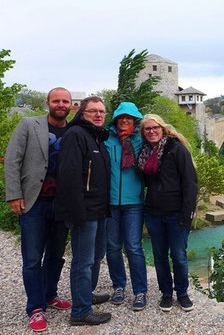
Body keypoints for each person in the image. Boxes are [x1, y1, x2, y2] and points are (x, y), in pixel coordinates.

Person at [4, 87, 73, 332]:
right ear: (48, 103)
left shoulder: (74, 131)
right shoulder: (28, 124)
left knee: (56, 256)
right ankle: (35, 307)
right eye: (57, 100)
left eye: (65, 101)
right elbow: (12, 160)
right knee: (32, 259)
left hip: (62, 205)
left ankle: (50, 294)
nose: (61, 104)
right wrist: (14, 195)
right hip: (34, 202)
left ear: (71, 105)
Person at [54, 96, 112, 326]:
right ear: (82, 113)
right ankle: (80, 312)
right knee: (83, 261)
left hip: (99, 210)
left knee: (97, 256)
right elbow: (68, 177)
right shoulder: (76, 135)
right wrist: (76, 213)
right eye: (93, 111)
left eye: (102, 111)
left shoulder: (96, 137)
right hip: (84, 212)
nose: (98, 115)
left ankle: (85, 295)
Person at [138, 114, 198, 312]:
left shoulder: (177, 150)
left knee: (179, 256)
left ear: (162, 128)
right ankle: (166, 293)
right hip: (154, 213)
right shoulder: (145, 154)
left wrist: (187, 214)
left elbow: (190, 183)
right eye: (147, 129)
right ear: (143, 133)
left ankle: (182, 293)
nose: (152, 131)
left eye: (155, 127)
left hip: (176, 213)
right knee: (159, 256)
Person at [104, 102, 147, 310]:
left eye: (128, 117)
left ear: (135, 120)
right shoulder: (106, 138)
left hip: (134, 202)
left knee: (134, 247)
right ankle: (119, 286)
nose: (124, 120)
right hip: (110, 202)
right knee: (112, 247)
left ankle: (140, 291)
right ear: (115, 119)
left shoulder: (141, 139)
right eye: (121, 117)